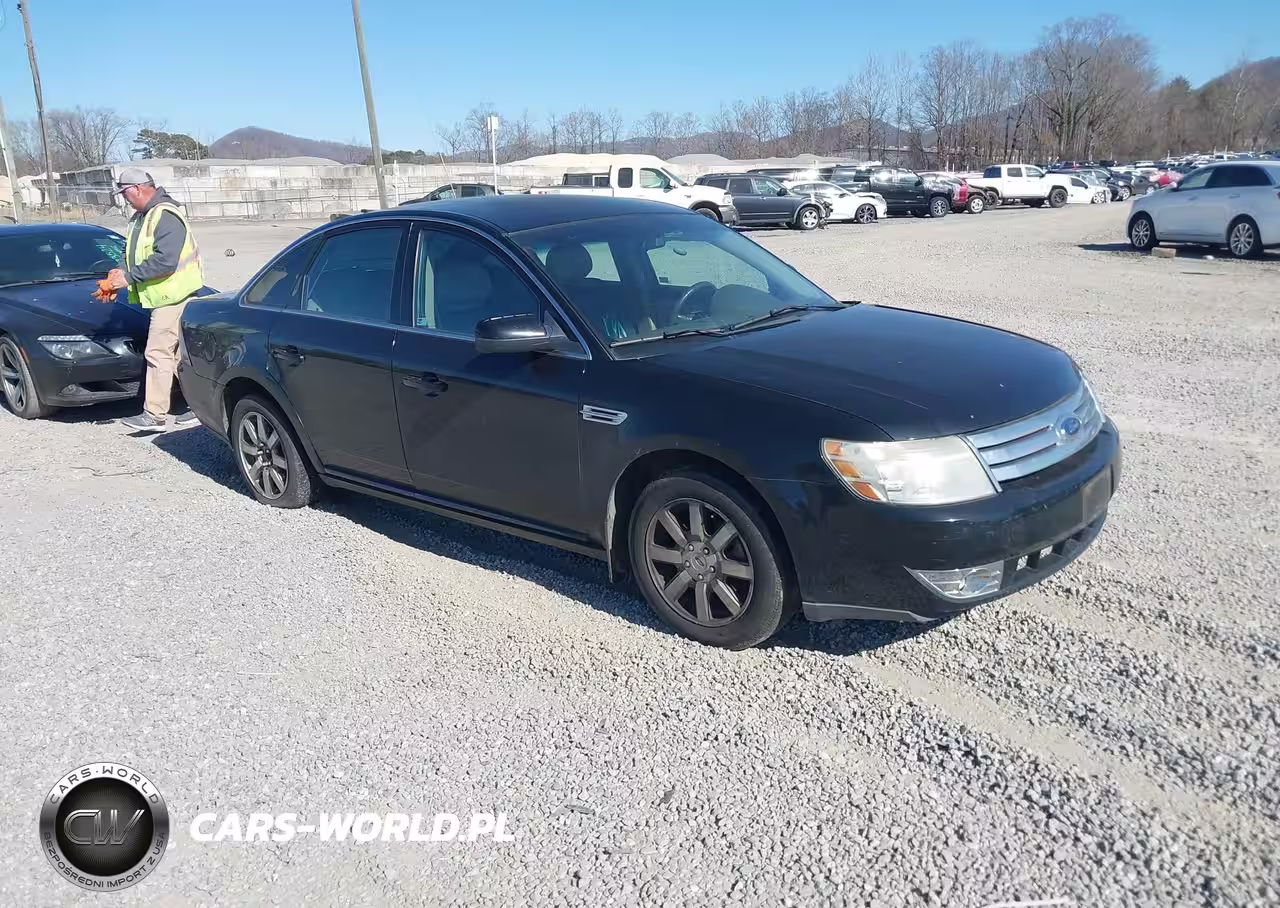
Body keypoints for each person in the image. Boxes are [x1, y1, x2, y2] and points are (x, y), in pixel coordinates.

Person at [104, 168, 204, 432]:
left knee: (158, 352)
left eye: (124, 193)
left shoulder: (164, 215)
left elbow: (165, 260)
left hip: (174, 295)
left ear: (137, 188)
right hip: (162, 296)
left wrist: (129, 278)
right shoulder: (141, 217)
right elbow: (132, 252)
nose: (123, 199)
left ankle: (155, 415)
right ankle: (200, 404)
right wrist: (118, 272)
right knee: (175, 355)